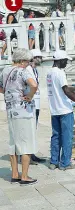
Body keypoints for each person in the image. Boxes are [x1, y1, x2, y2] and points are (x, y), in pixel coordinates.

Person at [0, 48, 38, 185]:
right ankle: (25, 176)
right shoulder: (22, 71)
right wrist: (30, 95)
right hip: (23, 111)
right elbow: (34, 85)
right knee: (26, 142)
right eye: (27, 61)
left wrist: (9, 94)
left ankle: (15, 174)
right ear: (22, 61)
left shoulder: (5, 71)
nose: (28, 64)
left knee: (13, 143)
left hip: (10, 109)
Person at [47, 50, 75, 170]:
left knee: (55, 136)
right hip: (64, 110)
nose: (66, 63)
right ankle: (65, 163)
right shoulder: (60, 73)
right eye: (66, 61)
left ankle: (53, 161)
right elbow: (66, 90)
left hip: (54, 109)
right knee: (67, 137)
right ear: (61, 60)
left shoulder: (49, 73)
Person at [27, 49, 45, 165]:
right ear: (33, 58)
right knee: (30, 130)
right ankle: (28, 155)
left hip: (36, 103)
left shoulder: (35, 70)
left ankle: (32, 154)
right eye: (38, 57)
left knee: (33, 129)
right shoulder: (28, 70)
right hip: (31, 103)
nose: (41, 59)